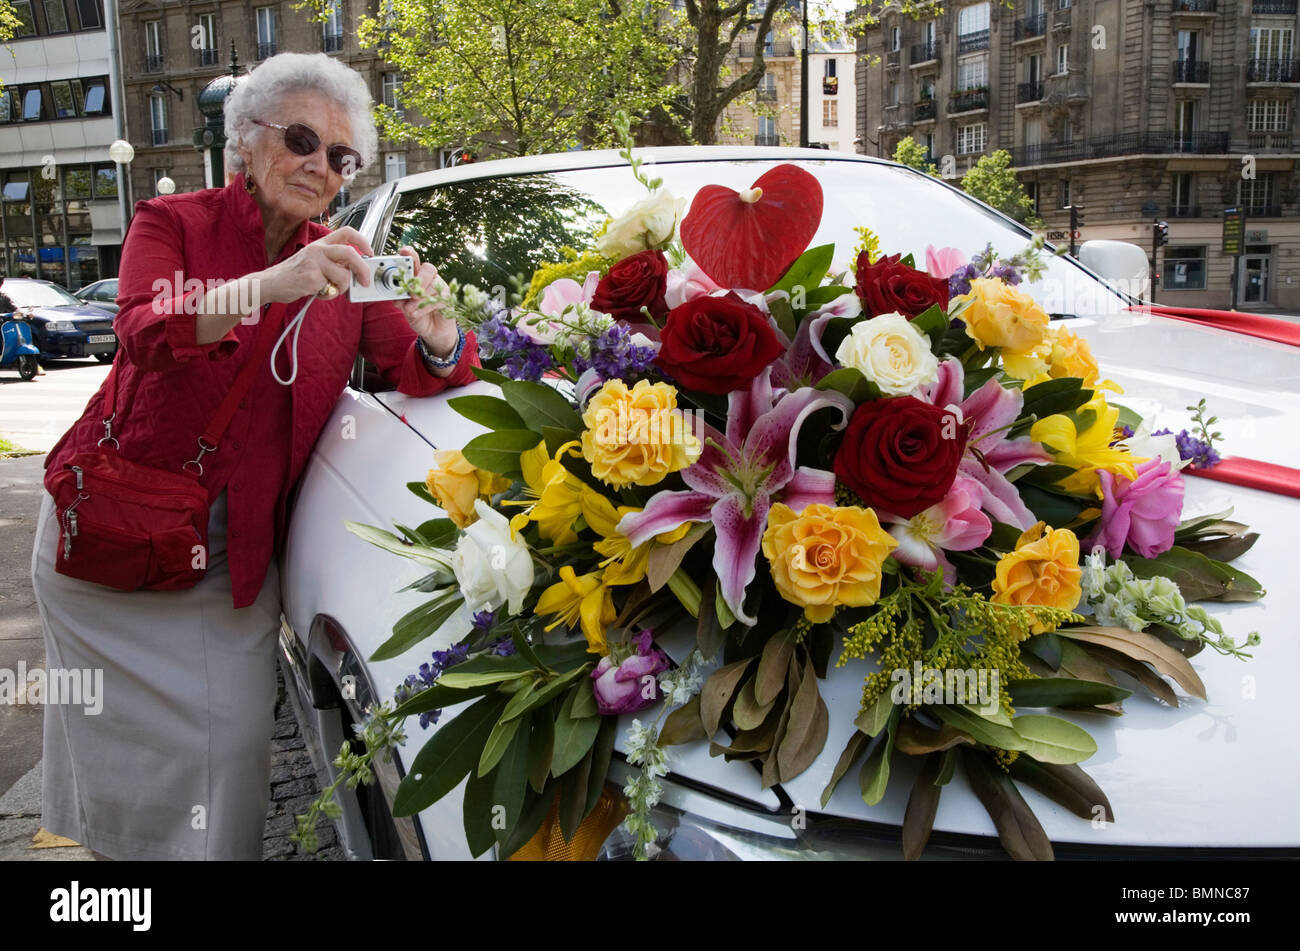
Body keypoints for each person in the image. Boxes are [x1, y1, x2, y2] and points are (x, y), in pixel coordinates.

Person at [31, 52, 479, 860]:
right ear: (246, 138)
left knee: (226, 767)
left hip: (227, 568)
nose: (321, 166)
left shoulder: (344, 266)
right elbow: (142, 326)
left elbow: (419, 368)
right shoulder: (172, 224)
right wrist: (271, 282)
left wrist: (441, 333)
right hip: (112, 544)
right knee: (121, 769)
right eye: (303, 138)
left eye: (342, 157)